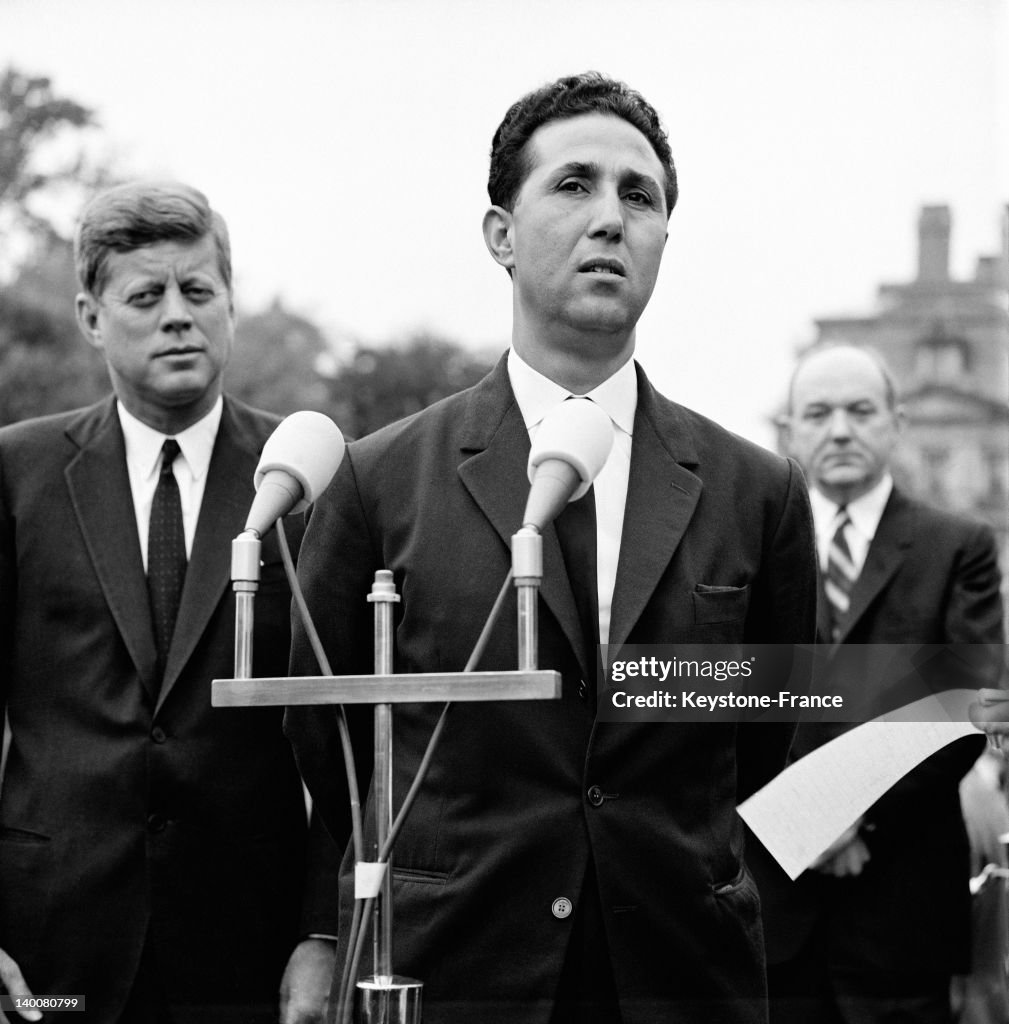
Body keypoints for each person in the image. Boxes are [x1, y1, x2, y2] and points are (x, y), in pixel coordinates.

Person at [285, 72, 817, 1023]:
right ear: (500, 233)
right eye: (574, 185)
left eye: (638, 195)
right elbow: (322, 731)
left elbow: (772, 740)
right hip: (454, 969)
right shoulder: (378, 479)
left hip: (682, 974)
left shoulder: (758, 491)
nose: (610, 217)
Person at [0, 182, 338, 1024]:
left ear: (230, 299)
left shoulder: (315, 475)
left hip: (248, 948)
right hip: (50, 948)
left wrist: (325, 932)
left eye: (198, 290)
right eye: (146, 296)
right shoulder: (15, 474)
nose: (177, 316)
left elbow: (349, 731)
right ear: (89, 316)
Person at [756, 343, 1005, 1023]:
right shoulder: (744, 543)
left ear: (897, 423)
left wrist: (837, 813)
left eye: (860, 411)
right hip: (768, 902)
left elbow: (965, 700)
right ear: (789, 430)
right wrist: (799, 822)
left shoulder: (958, 547)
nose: (839, 429)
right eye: (818, 412)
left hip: (902, 902)